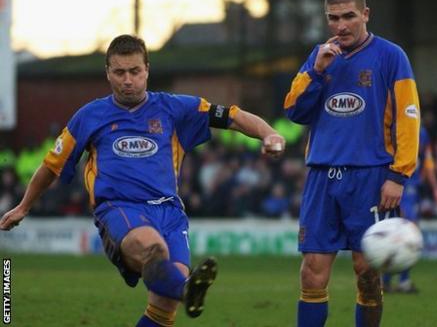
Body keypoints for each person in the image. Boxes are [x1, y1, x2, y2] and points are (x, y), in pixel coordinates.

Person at [0, 34, 285, 327]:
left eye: (135, 71)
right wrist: (23, 206)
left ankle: (181, 289)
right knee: (155, 250)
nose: (128, 80)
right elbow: (51, 166)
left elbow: (232, 117)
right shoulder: (90, 116)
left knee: (164, 306)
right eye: (119, 72)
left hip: (170, 213)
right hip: (119, 208)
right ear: (107, 73)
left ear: (147, 69)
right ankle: (187, 288)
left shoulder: (174, 108)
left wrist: (269, 134)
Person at [283, 0, 420, 327]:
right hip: (322, 176)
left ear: (365, 15)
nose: (341, 25)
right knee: (312, 274)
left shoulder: (391, 56)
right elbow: (293, 111)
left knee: (367, 272)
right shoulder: (319, 57)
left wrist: (398, 176)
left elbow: (408, 117)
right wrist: (315, 71)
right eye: (333, 18)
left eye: (349, 16)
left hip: (371, 177)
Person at [383, 126, 437, 293]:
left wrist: (435, 189)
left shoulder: (422, 132)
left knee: (404, 233)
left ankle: (392, 281)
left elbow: (427, 163)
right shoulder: (392, 127)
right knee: (403, 232)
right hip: (396, 183)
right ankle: (396, 281)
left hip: (410, 188)